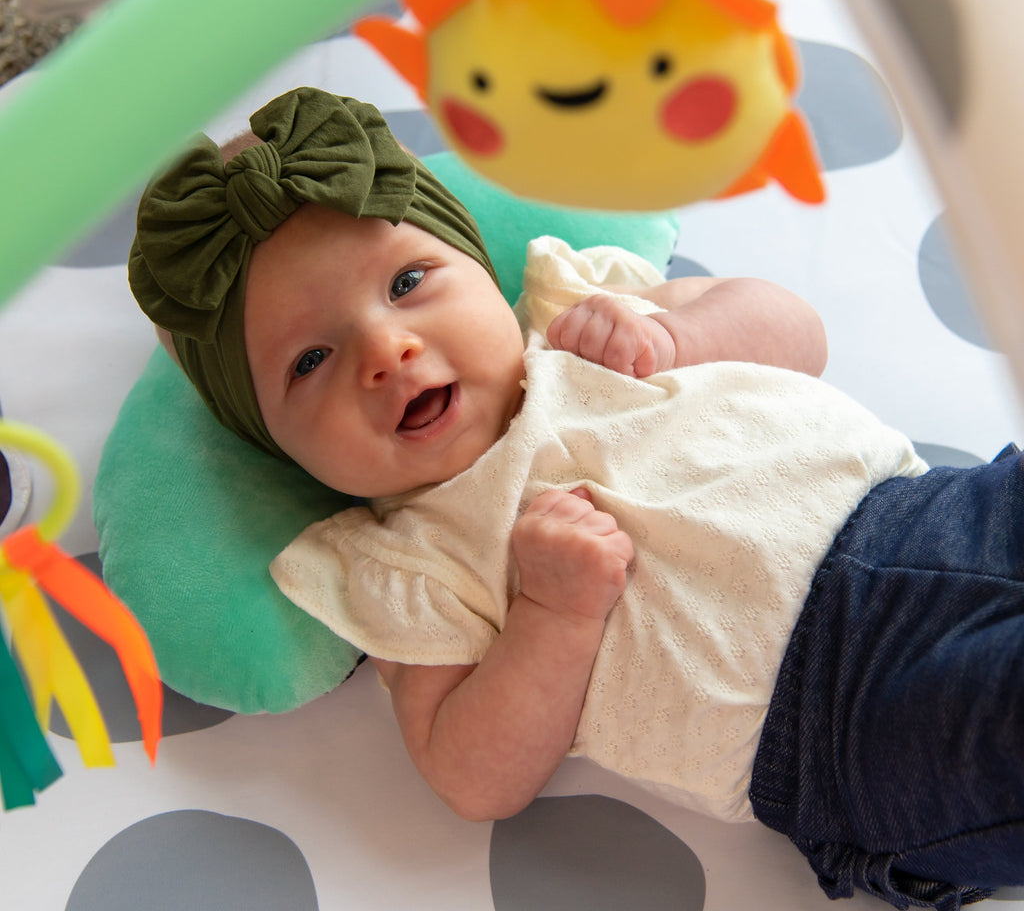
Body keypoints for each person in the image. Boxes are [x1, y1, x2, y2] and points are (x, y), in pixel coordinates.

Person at [130, 86, 1024, 911]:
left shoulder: (582, 314)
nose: (386, 349)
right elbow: (470, 776)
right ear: (275, 446)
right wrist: (551, 617)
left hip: (933, 511)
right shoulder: (411, 561)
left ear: (479, 268)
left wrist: (676, 335)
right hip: (844, 717)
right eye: (310, 362)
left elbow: (800, 337)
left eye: (407, 284)